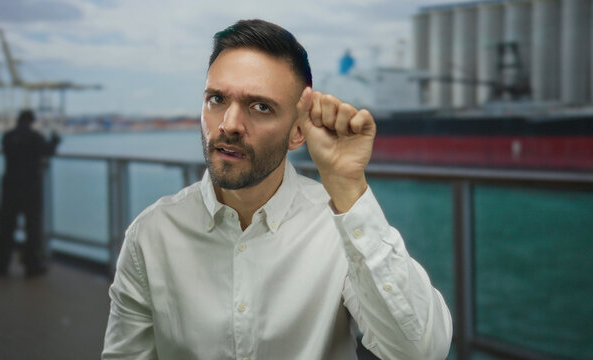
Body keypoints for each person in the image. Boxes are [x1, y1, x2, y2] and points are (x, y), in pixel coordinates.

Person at [103, 19, 452, 359]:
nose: (229, 124)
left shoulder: (341, 232)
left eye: (260, 107)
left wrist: (348, 187)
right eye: (216, 100)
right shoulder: (149, 237)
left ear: (298, 132)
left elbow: (420, 352)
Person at [0, 109, 61, 278]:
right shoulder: (35, 137)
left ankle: (0, 265)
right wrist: (55, 141)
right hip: (30, 188)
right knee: (32, 227)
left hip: (10, 187)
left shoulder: (7, 137)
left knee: (6, 227)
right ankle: (32, 265)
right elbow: (48, 151)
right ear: (31, 121)